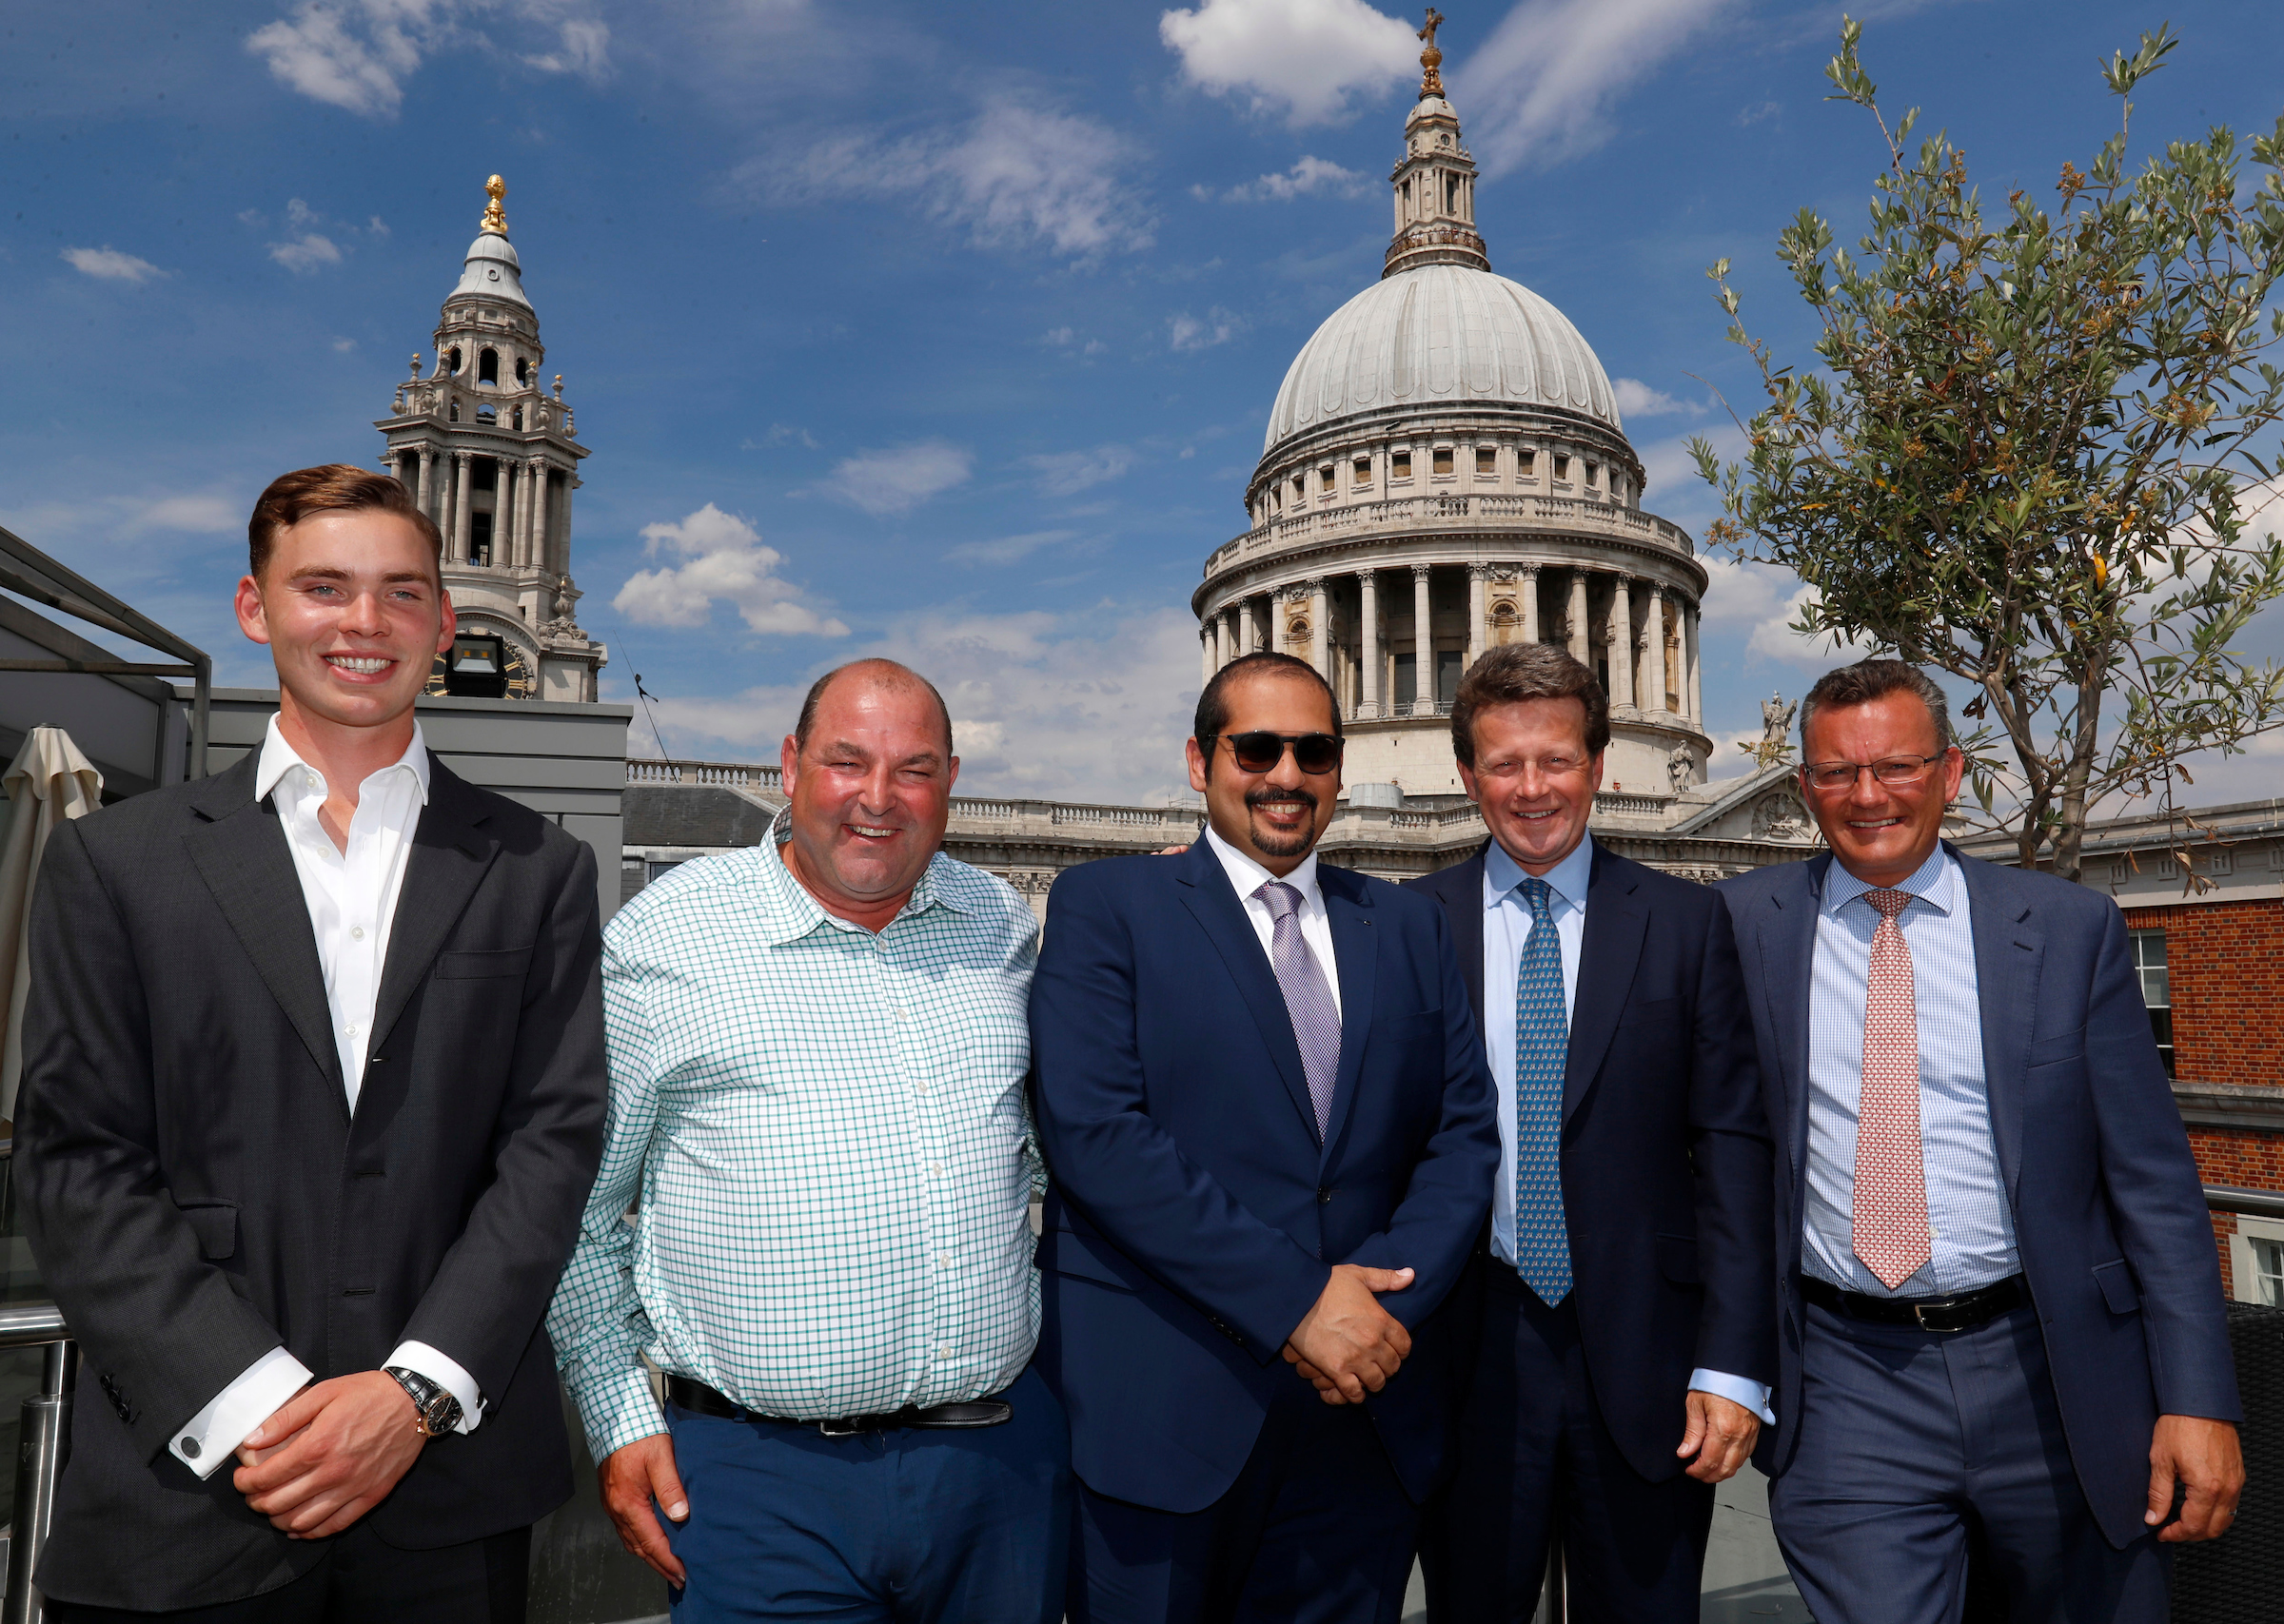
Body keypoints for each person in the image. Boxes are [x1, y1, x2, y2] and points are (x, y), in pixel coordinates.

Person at [14, 464, 608, 1619]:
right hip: (182, 1497)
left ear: (443, 621)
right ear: (256, 607)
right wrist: (252, 1401)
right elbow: (76, 1161)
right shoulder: (115, 862)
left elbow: (553, 1145)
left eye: (401, 592)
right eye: (325, 587)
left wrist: (414, 1395)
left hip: (448, 1508)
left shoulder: (540, 869)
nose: (364, 622)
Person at [1717, 658, 2243, 1624]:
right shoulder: (1742, 925)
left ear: (1950, 773)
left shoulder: (2070, 929)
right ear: (1804, 787)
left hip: (2055, 1368)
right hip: (1845, 1380)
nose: (1868, 795)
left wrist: (2199, 1397)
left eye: (1897, 766)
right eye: (1837, 772)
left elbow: (2156, 1187)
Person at [548, 658, 1070, 1623]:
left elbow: (1051, 1152)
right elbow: (578, 1211)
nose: (878, 798)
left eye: (914, 769)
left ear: (950, 781)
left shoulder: (1000, 925)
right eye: (847, 762)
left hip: (997, 1473)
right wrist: (617, 1415)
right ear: (790, 766)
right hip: (758, 1483)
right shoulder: (667, 937)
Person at [1029, 650, 1500, 1624]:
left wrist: (1376, 1316)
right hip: (1165, 1416)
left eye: (1314, 752)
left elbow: (1461, 1139)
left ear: (1339, 770)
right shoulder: (1107, 905)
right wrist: (1301, 1302)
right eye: (1257, 748)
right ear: (1199, 760)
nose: (1287, 774)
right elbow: (1098, 1137)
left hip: (1364, 1412)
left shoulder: (1406, 924)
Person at [1407, 643, 1774, 1621]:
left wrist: (1733, 1363)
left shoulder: (1687, 923)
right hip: (1466, 1345)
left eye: (1557, 759)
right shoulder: (1404, 925)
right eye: (1505, 764)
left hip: (1651, 1352)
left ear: (1599, 765)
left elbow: (1734, 1154)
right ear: (1468, 775)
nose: (1533, 788)